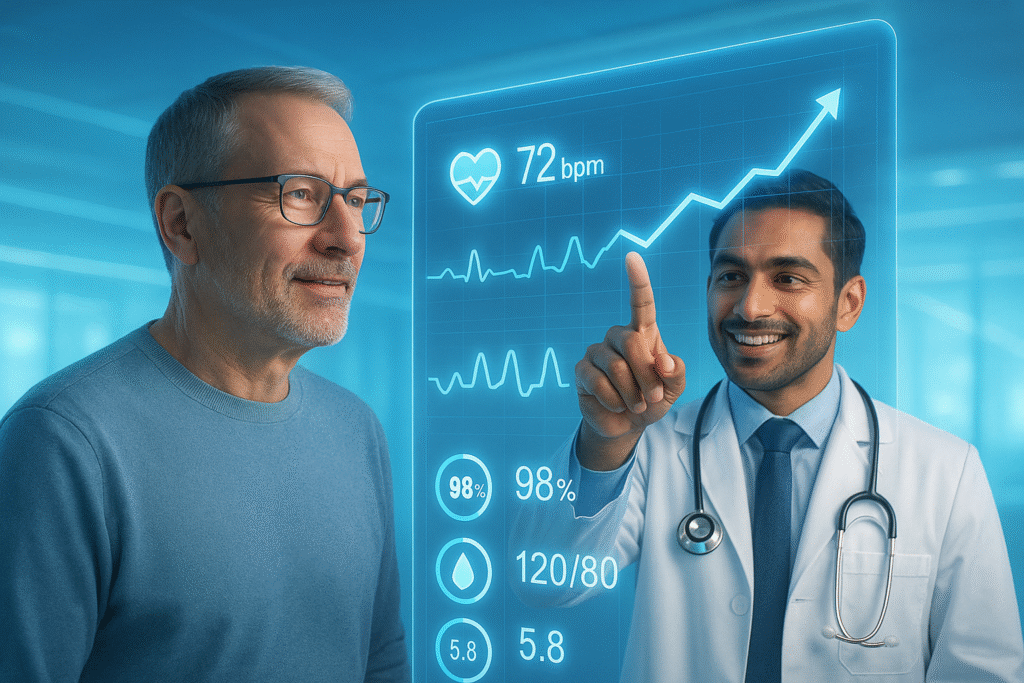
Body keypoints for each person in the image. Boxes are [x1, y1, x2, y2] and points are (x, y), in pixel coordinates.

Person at [512, 169, 1023, 681]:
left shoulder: (945, 471)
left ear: (848, 303)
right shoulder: (648, 447)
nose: (751, 307)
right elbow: (544, 584)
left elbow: (982, 670)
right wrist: (608, 439)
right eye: (731, 276)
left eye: (788, 278)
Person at [0, 67, 409, 682]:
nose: (348, 237)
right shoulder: (65, 444)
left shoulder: (358, 430)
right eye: (300, 194)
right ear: (181, 225)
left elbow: (381, 663)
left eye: (355, 198)